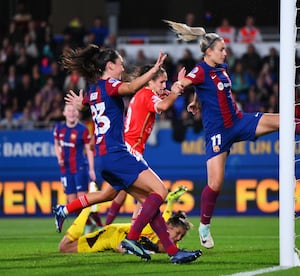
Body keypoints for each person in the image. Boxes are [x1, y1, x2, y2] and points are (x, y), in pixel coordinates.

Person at [163, 20, 300, 249]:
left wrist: (196, 102)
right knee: (215, 184)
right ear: (209, 52)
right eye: (221, 49)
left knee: (284, 120)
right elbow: (186, 82)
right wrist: (177, 86)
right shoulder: (200, 69)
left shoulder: (221, 68)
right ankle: (204, 226)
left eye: (225, 49)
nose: (226, 52)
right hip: (218, 133)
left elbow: (204, 89)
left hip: (239, 121)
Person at [54, 44, 201, 264]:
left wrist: (80, 103)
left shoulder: (94, 89)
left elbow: (89, 102)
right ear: (110, 66)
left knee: (141, 201)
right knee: (159, 190)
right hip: (119, 153)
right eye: (120, 64)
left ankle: (173, 252)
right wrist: (154, 71)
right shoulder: (113, 85)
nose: (122, 68)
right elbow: (131, 87)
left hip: (106, 157)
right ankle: (131, 238)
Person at [105, 64, 186, 225]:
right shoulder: (147, 95)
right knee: (155, 192)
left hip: (127, 148)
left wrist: (175, 89)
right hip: (130, 150)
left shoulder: (144, 93)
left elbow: (165, 99)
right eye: (162, 82)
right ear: (150, 82)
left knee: (111, 194)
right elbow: (163, 105)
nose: (164, 85)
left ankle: (67, 210)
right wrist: (176, 90)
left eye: (166, 82)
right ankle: (132, 235)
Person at [59, 186, 191, 255]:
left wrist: (171, 202)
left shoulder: (170, 243)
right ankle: (87, 209)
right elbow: (120, 247)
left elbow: (163, 247)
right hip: (109, 236)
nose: (179, 238)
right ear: (168, 227)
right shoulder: (154, 226)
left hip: (115, 239)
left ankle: (89, 208)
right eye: (178, 232)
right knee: (64, 247)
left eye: (182, 236)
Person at [53, 103, 102, 231]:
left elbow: (89, 150)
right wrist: (59, 158)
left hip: (80, 168)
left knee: (81, 200)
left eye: (74, 110)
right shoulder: (59, 129)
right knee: (72, 203)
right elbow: (56, 144)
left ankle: (85, 228)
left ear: (78, 113)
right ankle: (89, 224)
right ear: (64, 113)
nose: (71, 113)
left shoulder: (83, 129)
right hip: (66, 170)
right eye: (69, 110)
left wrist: (91, 169)